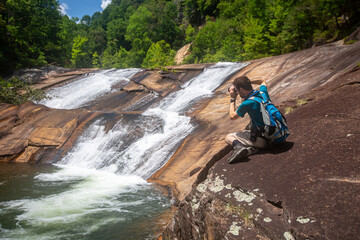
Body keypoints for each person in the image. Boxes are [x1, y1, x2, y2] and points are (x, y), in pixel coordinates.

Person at [225, 75, 269, 163]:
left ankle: (240, 148)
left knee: (228, 137)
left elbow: (232, 116)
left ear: (241, 89)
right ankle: (251, 149)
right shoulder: (263, 93)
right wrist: (247, 82)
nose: (237, 92)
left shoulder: (247, 103)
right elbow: (262, 81)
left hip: (264, 140)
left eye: (237, 90)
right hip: (276, 135)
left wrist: (232, 99)